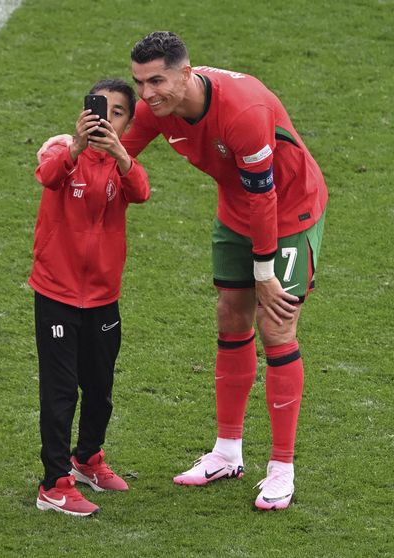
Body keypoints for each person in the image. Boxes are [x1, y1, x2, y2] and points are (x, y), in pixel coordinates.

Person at [124, 31, 328, 510]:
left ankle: (281, 469)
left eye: (157, 81)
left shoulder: (244, 111)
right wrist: (69, 154)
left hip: (290, 212)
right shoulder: (156, 108)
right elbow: (119, 152)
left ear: (187, 72)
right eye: (139, 84)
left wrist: (264, 270)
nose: (148, 95)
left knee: (276, 324)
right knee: (230, 317)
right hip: (238, 212)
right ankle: (227, 453)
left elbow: (266, 194)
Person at [29, 78, 150, 517]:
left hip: (102, 296)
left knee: (99, 387)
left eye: (118, 113)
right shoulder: (61, 148)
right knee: (60, 391)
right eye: (103, 110)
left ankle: (88, 459)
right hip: (57, 293)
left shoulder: (124, 163)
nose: (108, 118)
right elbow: (47, 176)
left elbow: (142, 192)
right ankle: (54, 483)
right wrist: (77, 146)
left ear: (128, 122)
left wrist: (120, 154)